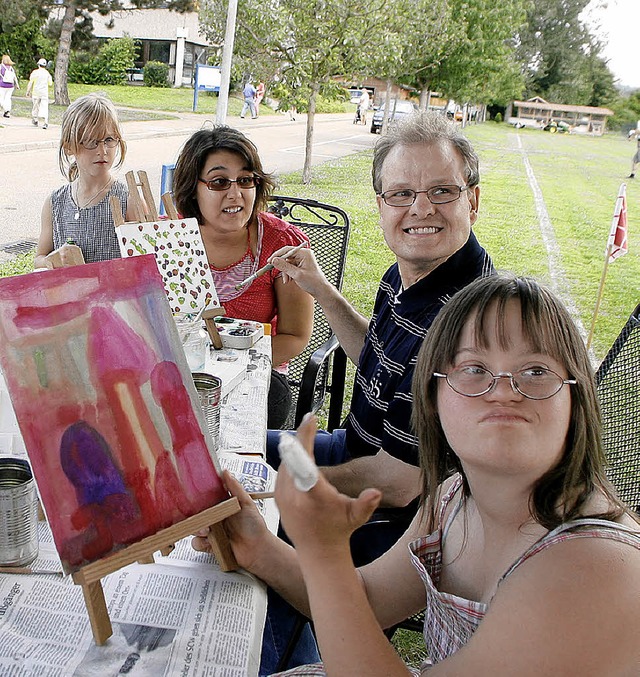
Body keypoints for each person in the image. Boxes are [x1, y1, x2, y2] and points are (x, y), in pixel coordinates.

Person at [196, 273, 640, 676]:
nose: (504, 390)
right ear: (432, 395)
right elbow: (366, 602)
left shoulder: (596, 570)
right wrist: (257, 547)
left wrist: (326, 551)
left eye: (536, 371)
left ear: (576, 396)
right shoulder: (453, 497)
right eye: (473, 369)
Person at [255, 110, 493, 674]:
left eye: (441, 191)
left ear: (473, 200)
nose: (420, 209)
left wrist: (281, 493)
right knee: (234, 452)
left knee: (255, 573)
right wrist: (322, 290)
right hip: (353, 448)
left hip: (396, 517)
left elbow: (399, 483)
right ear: (381, 203)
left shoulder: (466, 324)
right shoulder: (413, 269)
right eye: (401, 193)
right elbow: (377, 359)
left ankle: (291, 646)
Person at [172, 126, 314, 429]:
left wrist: (230, 366)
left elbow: (296, 336)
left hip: (258, 373)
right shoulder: (167, 238)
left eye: (246, 180)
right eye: (220, 181)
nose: (235, 194)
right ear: (192, 188)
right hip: (180, 369)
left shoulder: (282, 244)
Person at [34, 93, 131, 268]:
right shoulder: (55, 203)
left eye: (109, 139)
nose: (102, 150)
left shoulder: (128, 200)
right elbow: (39, 258)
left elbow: (145, 265)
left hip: (116, 296)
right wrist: (53, 260)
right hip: (70, 295)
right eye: (91, 141)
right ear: (69, 147)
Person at [25, 58, 52, 129]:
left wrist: (28, 91)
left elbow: (31, 82)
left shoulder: (35, 72)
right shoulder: (47, 73)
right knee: (44, 107)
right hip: (44, 93)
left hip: (36, 92)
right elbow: (50, 83)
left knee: (35, 106)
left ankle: (35, 119)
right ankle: (45, 122)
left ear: (38, 65)